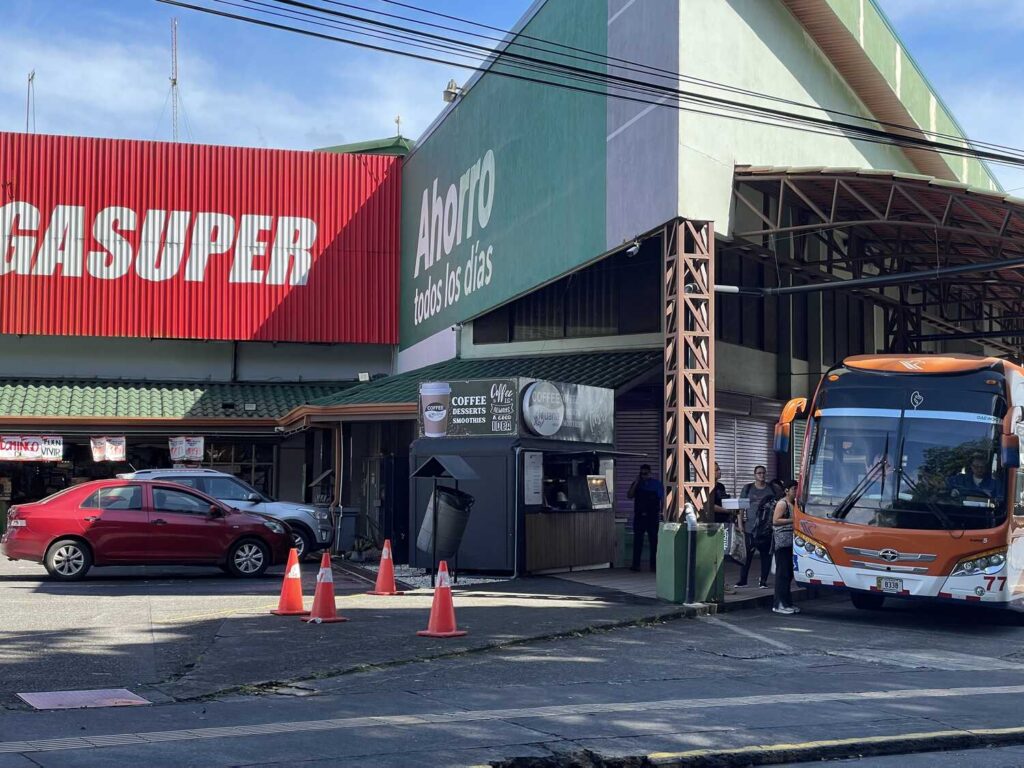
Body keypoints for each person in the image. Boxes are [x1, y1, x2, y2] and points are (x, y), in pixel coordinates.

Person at [735, 466, 775, 588]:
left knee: (765, 556)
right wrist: (740, 524)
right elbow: (741, 508)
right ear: (754, 475)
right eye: (759, 473)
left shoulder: (771, 489)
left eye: (763, 473)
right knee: (746, 555)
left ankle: (763, 581)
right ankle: (743, 580)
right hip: (750, 528)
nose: (761, 475)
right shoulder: (748, 488)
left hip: (766, 529)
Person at [627, 464, 665, 572]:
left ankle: (654, 565)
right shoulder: (637, 484)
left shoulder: (656, 484)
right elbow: (629, 495)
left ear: (650, 473)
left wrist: (661, 513)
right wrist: (636, 482)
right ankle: (636, 565)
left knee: (654, 541)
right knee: (638, 540)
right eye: (642, 473)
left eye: (645, 473)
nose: (644, 476)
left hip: (652, 516)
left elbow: (662, 499)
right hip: (639, 516)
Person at [772, 479, 799, 615]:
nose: (796, 491)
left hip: (791, 543)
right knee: (782, 574)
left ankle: (787, 602)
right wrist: (793, 520)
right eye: (794, 489)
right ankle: (779, 604)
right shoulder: (782, 503)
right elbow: (776, 520)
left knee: (788, 574)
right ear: (787, 490)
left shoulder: (795, 503)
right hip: (782, 543)